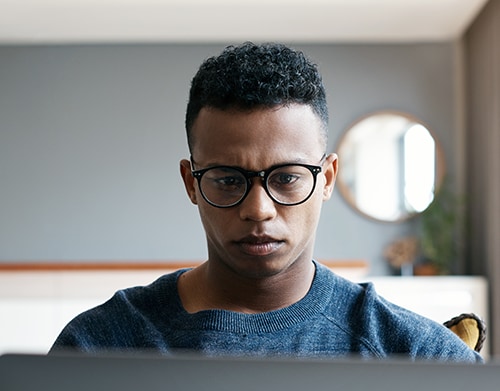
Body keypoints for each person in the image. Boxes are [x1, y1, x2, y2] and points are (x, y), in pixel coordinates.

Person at [50, 42, 481, 361]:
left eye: (288, 178)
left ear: (327, 178)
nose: (258, 209)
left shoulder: (417, 356)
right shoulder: (98, 347)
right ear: (191, 182)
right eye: (227, 180)